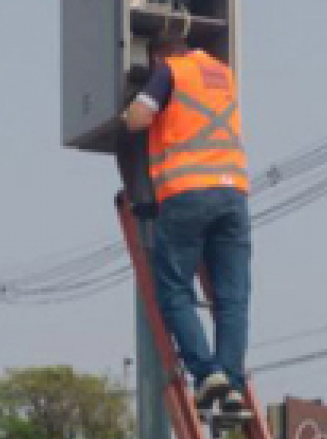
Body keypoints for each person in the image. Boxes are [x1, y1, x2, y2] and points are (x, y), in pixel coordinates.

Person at [122, 30, 252, 418]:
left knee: (174, 291)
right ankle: (231, 379)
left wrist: (126, 112)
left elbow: (138, 119)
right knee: (232, 297)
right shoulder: (223, 73)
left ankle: (207, 373)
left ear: (161, 52)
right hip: (233, 194)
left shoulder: (169, 71)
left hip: (186, 193)